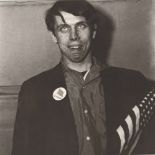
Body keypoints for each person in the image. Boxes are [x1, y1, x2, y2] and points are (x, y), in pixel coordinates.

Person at [11, 0, 155, 155]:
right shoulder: (34, 90)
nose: (74, 36)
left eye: (81, 26)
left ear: (93, 31)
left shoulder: (132, 83)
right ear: (54, 36)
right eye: (64, 28)